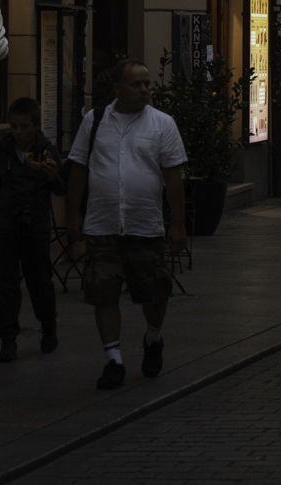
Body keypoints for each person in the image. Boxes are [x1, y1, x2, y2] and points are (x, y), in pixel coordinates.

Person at [64, 61, 187, 390]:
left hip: (144, 226)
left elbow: (173, 179)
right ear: (117, 88)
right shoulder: (95, 120)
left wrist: (178, 225)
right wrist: (73, 214)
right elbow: (78, 168)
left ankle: (153, 337)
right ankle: (114, 360)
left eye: (147, 84)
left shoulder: (162, 124)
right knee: (103, 293)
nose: (144, 90)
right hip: (102, 225)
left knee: (155, 294)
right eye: (136, 85)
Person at [0, 97, 62, 362]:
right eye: (14, 127)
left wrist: (52, 175)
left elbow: (60, 190)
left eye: (24, 127)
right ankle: (8, 341)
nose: (19, 133)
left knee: (40, 283)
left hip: (36, 227)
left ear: (35, 125)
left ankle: (48, 327)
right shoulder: (4, 150)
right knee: (6, 285)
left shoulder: (47, 152)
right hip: (6, 226)